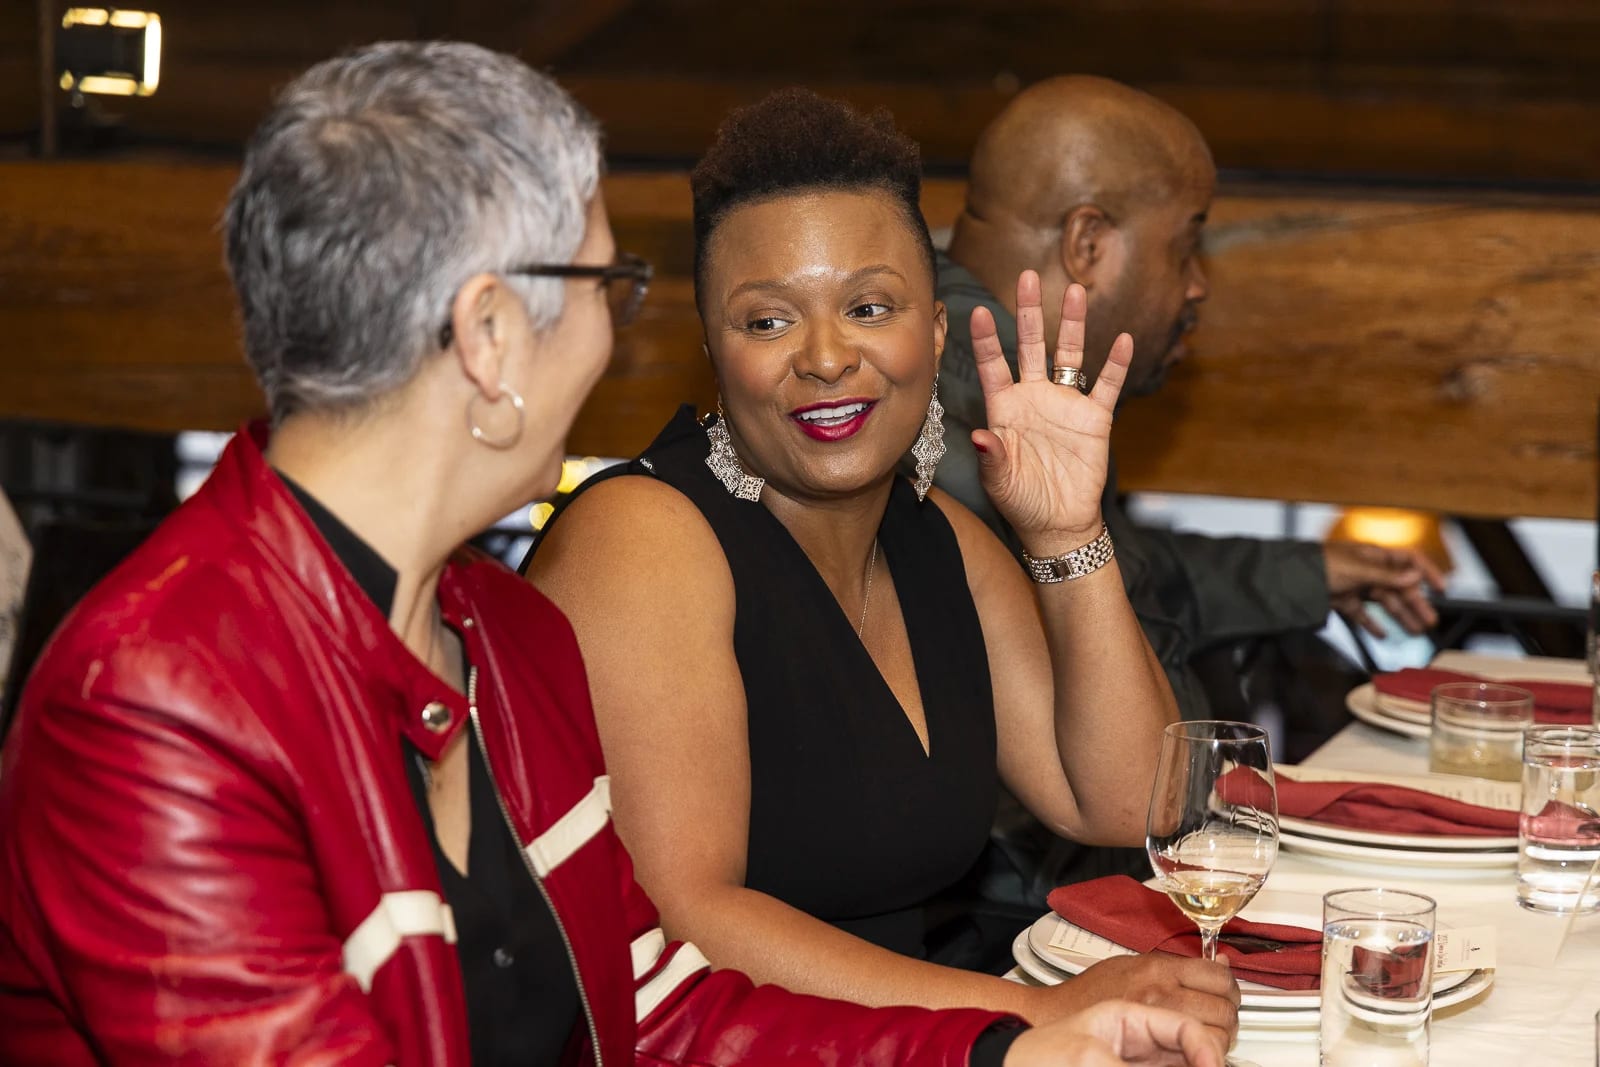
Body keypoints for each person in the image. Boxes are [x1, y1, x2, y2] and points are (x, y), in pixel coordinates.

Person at [0, 45, 1225, 1067]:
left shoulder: (502, 628)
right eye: (608, 285)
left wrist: (999, 1049)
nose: (618, 337)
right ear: (492, 334)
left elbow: (653, 998)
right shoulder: (155, 695)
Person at [525, 88, 1239, 1045]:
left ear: (935, 331)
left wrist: (1067, 533)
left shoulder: (939, 535)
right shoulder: (643, 538)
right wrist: (1030, 1013)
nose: (825, 357)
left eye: (869, 307)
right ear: (713, 350)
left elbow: (1123, 798)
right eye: (767, 322)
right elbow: (686, 918)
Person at [926, 74, 1448, 902]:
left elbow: (1128, 573)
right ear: (1087, 242)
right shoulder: (961, 432)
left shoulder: (1018, 389)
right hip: (1032, 923)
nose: (1199, 283)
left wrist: (1309, 571)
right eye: (1185, 244)